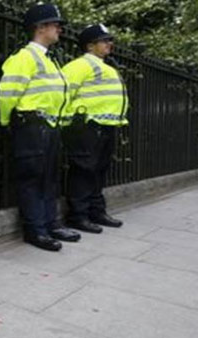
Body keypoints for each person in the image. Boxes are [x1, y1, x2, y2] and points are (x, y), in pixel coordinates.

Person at [0, 3, 80, 251]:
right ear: (40, 27)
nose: (59, 29)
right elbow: (7, 93)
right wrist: (5, 121)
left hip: (48, 126)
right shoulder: (24, 57)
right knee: (32, 179)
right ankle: (35, 230)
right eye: (55, 25)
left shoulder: (48, 59)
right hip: (32, 124)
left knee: (49, 178)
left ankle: (50, 224)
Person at [62, 24, 128, 233]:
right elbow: (63, 93)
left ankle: (96, 211)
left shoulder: (106, 66)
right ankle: (78, 216)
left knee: (99, 170)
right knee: (83, 170)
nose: (110, 44)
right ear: (90, 46)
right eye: (105, 40)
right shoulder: (79, 66)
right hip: (86, 126)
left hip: (105, 125)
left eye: (110, 40)